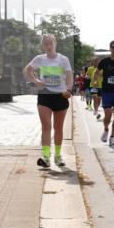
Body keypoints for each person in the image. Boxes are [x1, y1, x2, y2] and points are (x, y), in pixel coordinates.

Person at [24, 34, 74, 168]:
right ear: (42, 45)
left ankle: (57, 156)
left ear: (55, 43)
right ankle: (46, 157)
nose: (48, 46)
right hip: (44, 95)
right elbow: (27, 70)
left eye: (50, 43)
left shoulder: (63, 59)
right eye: (45, 44)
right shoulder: (39, 59)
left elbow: (69, 76)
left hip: (60, 96)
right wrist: (36, 81)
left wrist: (69, 90)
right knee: (46, 127)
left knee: (58, 128)